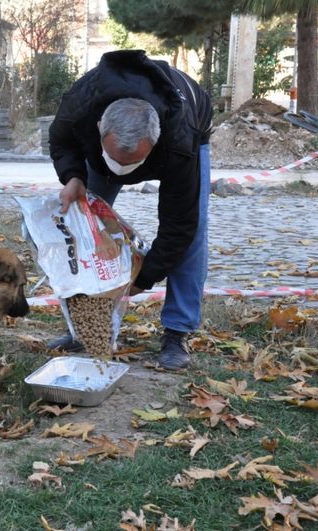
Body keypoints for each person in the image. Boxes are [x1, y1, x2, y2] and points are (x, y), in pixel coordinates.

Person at [47, 49, 213, 371]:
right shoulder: (80, 104)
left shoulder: (180, 138)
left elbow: (179, 225)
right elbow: (60, 141)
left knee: (193, 235)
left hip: (193, 122)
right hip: (102, 148)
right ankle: (84, 326)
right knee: (85, 224)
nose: (122, 171)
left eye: (132, 163)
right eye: (116, 161)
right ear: (98, 128)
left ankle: (177, 332)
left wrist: (145, 277)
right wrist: (73, 177)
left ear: (155, 141)